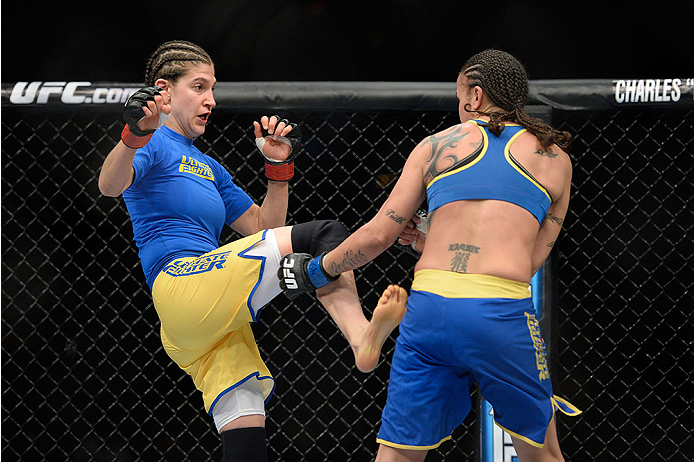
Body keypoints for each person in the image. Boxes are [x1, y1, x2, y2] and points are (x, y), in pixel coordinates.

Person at [97, 40, 407, 462]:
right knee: (325, 235)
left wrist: (278, 173)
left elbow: (266, 229)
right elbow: (110, 186)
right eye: (200, 87)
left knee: (246, 437)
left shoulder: (208, 166)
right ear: (164, 91)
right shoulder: (151, 143)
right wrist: (134, 134)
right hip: (182, 284)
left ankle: (322, 286)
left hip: (205, 324)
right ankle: (358, 334)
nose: (212, 100)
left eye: (214, 88)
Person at [279, 49, 581, 462]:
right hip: (500, 313)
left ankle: (364, 337)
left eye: (460, 98)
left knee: (397, 455)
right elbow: (525, 264)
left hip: (430, 309)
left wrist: (316, 270)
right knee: (542, 454)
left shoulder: (436, 146)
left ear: (474, 96)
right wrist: (429, 241)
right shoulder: (557, 162)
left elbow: (378, 235)